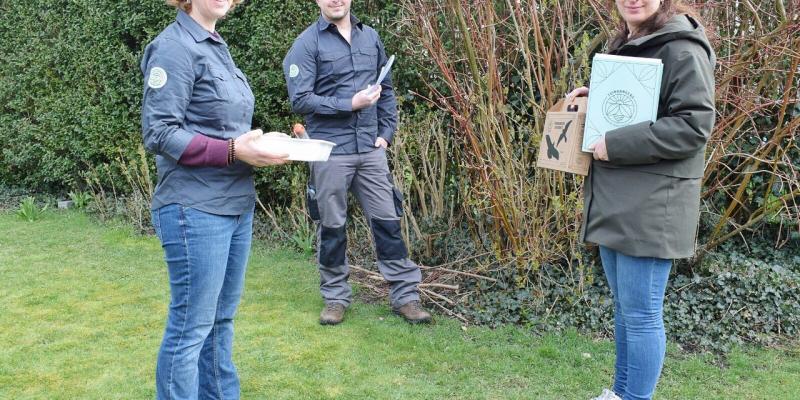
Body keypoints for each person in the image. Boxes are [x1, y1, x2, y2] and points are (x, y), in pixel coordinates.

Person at [567, 1, 716, 399]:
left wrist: (614, 143)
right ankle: (621, 393)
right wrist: (595, 97)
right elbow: (642, 106)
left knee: (642, 314)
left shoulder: (682, 47)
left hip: (653, 202)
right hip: (620, 195)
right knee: (625, 311)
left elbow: (692, 125)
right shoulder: (632, 40)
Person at [141, 1, 289, 398]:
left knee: (220, 323)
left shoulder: (216, 46)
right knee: (191, 329)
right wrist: (232, 151)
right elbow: (159, 133)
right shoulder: (173, 47)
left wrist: (264, 145)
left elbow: (227, 129)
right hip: (195, 208)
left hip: (235, 204)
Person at [282, 0, 432, 325]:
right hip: (330, 152)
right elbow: (300, 98)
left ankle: (405, 297)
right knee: (332, 227)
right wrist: (348, 103)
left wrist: (386, 132)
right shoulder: (306, 43)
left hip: (370, 150)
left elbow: (386, 89)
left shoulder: (371, 37)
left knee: (388, 222)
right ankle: (335, 298)